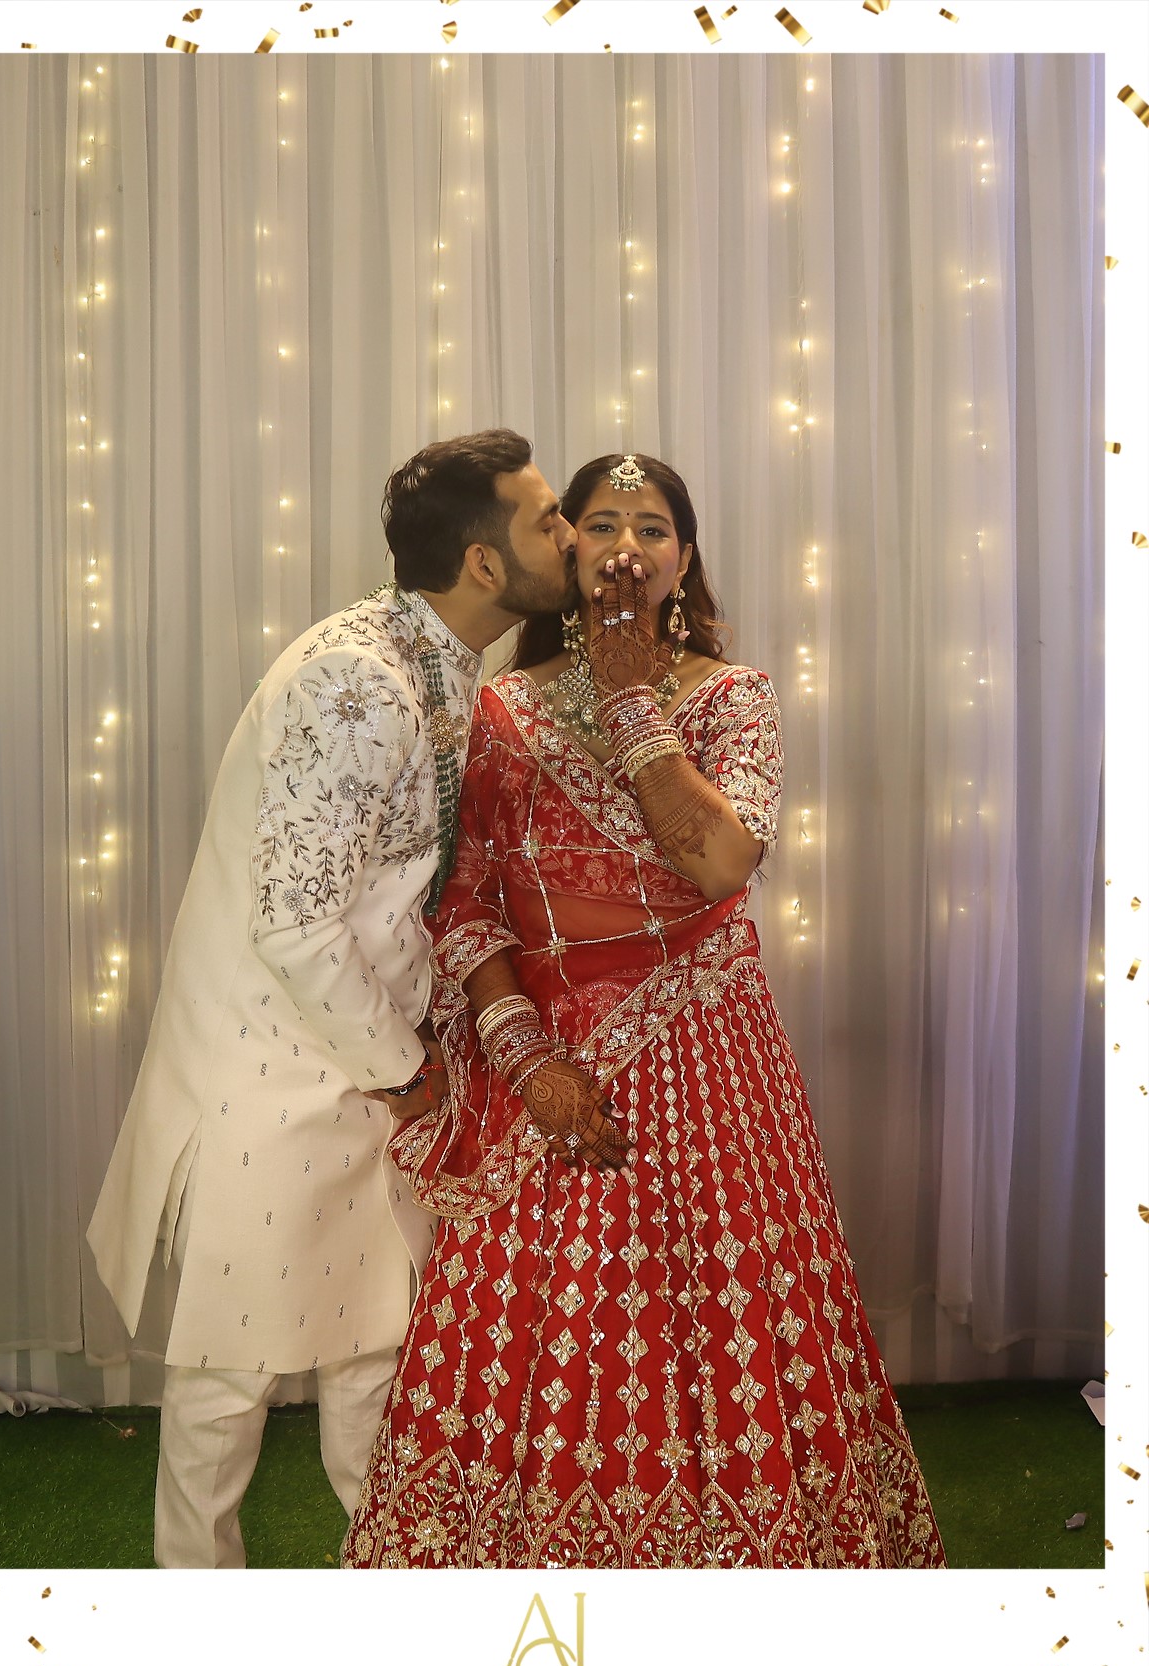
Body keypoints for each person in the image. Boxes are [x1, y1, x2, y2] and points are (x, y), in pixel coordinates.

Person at [344, 451, 946, 1569]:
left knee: (722, 1326)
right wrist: (527, 1059)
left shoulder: (734, 698)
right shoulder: (501, 710)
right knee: (542, 1335)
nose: (628, 546)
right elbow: (465, 903)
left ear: (685, 557)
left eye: (655, 527)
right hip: (551, 1061)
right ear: (563, 546)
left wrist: (629, 698)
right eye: (603, 523)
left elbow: (720, 862)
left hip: (710, 1055)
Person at [86, 428, 578, 1567]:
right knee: (230, 1375)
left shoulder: (443, 668)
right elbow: (296, 919)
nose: (568, 533)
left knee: (378, 1346)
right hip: (273, 1067)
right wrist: (406, 1070)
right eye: (547, 516)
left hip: (367, 1061)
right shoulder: (357, 678)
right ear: (486, 564)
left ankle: (390, 1597)